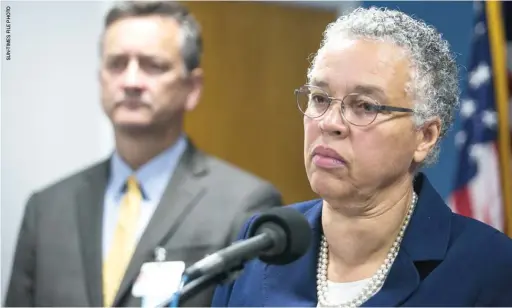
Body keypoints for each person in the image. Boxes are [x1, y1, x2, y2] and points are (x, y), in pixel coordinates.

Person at [211, 7, 512, 307]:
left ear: (425, 137)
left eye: (365, 106)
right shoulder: (264, 241)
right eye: (319, 98)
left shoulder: (487, 266)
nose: (330, 123)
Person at [5, 1, 282, 307]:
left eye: (153, 65)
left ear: (192, 87)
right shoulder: (46, 210)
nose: (131, 82)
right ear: (101, 79)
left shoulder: (244, 205)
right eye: (117, 64)